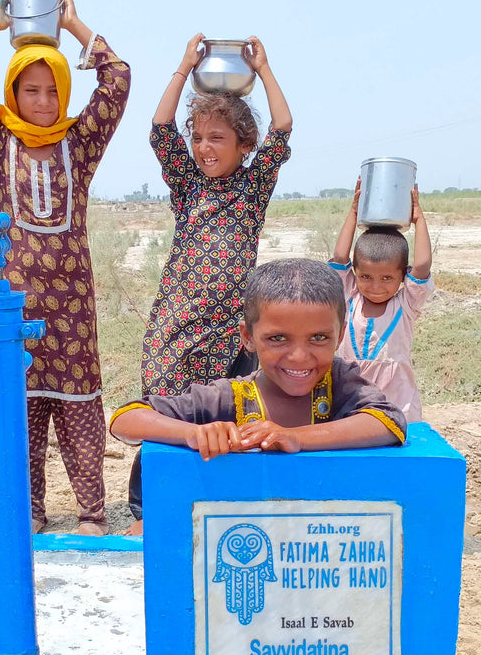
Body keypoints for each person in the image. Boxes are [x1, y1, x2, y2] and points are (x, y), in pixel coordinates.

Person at [0, 0, 130, 536]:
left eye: (53, 90)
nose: (44, 101)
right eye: (31, 89)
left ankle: (93, 514)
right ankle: (31, 515)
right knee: (22, 414)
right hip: (17, 308)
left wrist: (73, 25)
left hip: (72, 309)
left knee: (78, 412)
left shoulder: (82, 144)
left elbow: (116, 82)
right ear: (14, 92)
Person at [126, 35, 293, 531]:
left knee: (226, 412)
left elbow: (282, 127)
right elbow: (160, 129)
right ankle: (145, 509)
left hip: (229, 328)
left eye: (217, 138)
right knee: (162, 411)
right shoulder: (188, 183)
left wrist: (263, 69)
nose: (203, 147)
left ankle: (217, 501)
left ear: (244, 146)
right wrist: (183, 66)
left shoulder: (253, 186)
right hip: (176, 323)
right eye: (198, 137)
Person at [110, 258, 406, 458]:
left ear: (339, 336)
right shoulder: (229, 397)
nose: (300, 357)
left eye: (319, 338)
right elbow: (125, 419)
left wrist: (296, 438)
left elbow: (388, 421)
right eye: (277, 339)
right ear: (248, 337)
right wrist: (195, 434)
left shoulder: (340, 381)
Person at [330, 182, 434, 422]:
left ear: (402, 276)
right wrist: (354, 213)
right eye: (365, 277)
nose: (376, 287)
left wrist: (419, 220)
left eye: (387, 278)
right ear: (355, 272)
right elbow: (339, 257)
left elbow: (421, 266)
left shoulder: (406, 304)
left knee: (395, 455)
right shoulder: (349, 297)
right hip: (351, 398)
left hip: (398, 402)